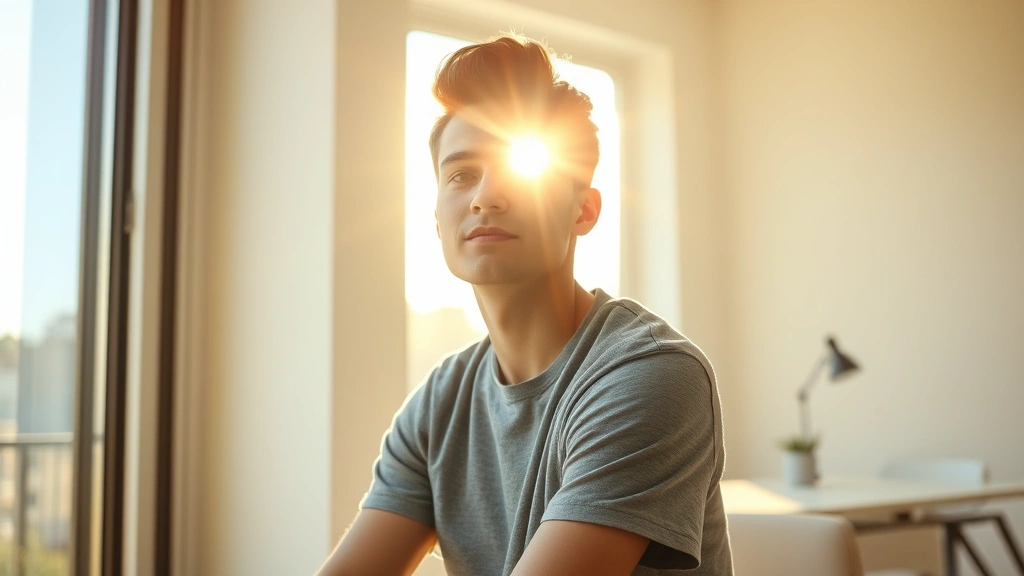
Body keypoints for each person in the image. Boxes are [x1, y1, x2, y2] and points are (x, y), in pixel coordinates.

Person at [317, 33, 732, 576]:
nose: (486, 196)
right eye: (462, 175)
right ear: (437, 217)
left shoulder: (650, 376)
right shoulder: (439, 404)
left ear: (582, 210)